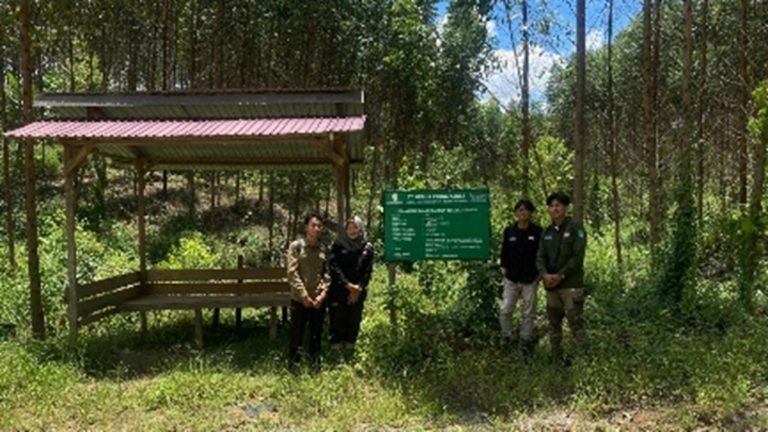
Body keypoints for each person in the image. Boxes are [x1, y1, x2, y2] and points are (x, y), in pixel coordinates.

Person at [536, 192, 589, 365]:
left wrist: (561, 275)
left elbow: (577, 257)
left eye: (558, 205)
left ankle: (585, 361)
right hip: (551, 285)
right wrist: (544, 274)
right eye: (551, 206)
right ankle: (556, 360)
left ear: (565, 208)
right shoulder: (547, 232)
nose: (555, 209)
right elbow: (540, 256)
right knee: (554, 324)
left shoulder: (575, 228)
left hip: (570, 285)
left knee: (576, 324)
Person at [499, 198, 543, 362]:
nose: (522, 212)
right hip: (511, 279)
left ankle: (526, 340)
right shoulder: (509, 231)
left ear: (531, 213)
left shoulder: (538, 232)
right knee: (506, 309)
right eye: (519, 210)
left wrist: (539, 275)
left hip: (530, 279)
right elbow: (504, 253)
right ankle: (507, 338)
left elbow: (542, 255)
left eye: (525, 210)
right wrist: (504, 268)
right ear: (516, 213)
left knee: (528, 313)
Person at [287, 213, 331, 370]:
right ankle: (293, 366)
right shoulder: (296, 247)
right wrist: (304, 296)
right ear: (306, 227)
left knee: (316, 333)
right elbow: (292, 273)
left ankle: (315, 364)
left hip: (318, 299)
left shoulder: (324, 248)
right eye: (313, 225)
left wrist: (322, 294)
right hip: (300, 299)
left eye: (319, 226)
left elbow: (327, 273)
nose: (317, 228)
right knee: (297, 333)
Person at [328, 216, 374, 361]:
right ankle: (336, 353)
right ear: (345, 230)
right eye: (349, 227)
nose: (352, 230)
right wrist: (348, 285)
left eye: (355, 227)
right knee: (338, 320)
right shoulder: (338, 245)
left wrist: (358, 288)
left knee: (354, 320)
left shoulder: (367, 248)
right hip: (339, 290)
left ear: (360, 229)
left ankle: (350, 352)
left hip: (358, 292)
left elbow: (367, 271)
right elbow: (334, 267)